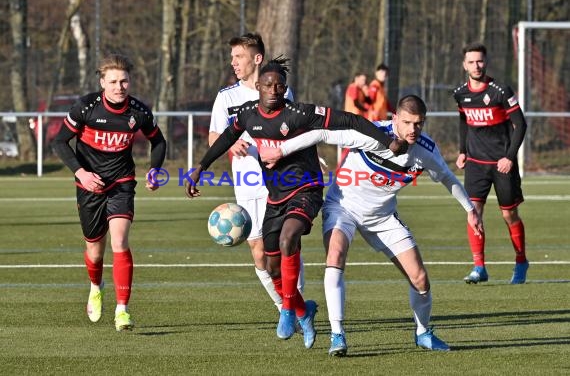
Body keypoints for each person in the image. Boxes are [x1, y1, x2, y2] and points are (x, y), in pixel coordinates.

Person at [185, 58, 408, 349]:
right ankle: (304, 311)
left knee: (290, 237)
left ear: (285, 88)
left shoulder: (300, 113)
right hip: (275, 196)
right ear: (258, 87)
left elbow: (349, 119)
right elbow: (228, 135)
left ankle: (287, 310)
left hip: (307, 189)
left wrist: (386, 139)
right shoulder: (248, 116)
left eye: (279, 85)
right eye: (268, 85)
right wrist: (201, 166)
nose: (274, 89)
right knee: (269, 264)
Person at [259, 95, 484, 356]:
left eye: (419, 124)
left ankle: (423, 332)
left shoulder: (426, 149)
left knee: (420, 278)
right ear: (395, 118)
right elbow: (321, 133)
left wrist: (470, 211)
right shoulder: (372, 134)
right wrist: (281, 150)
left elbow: (447, 178)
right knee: (335, 255)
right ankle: (337, 334)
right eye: (408, 122)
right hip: (343, 207)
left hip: (383, 218)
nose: (413, 129)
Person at [52, 54, 167, 332]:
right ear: (103, 82)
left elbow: (158, 141)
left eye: (124, 80)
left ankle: (122, 310)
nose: (119, 86)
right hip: (89, 186)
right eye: (113, 81)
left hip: (122, 182)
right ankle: (95, 285)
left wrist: (154, 170)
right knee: (94, 249)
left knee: (120, 241)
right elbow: (60, 141)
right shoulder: (86, 107)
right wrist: (81, 173)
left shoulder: (138, 111)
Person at [208, 33, 301, 316]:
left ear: (257, 58)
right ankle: (284, 307)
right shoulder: (227, 97)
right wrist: (231, 142)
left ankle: (295, 308)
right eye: (232, 57)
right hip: (247, 184)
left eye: (239, 57)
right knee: (259, 252)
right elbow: (214, 135)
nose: (233, 62)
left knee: (287, 245)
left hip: (280, 180)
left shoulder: (281, 90)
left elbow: (295, 130)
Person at [453, 42, 529, 285]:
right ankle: (479, 267)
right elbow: (464, 122)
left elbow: (521, 124)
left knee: (509, 214)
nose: (476, 65)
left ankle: (520, 261)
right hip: (475, 163)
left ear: (486, 62)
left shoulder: (500, 91)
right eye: (472, 62)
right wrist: (462, 151)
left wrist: (510, 156)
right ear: (464, 65)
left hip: (502, 164)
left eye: (480, 61)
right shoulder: (460, 93)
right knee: (473, 213)